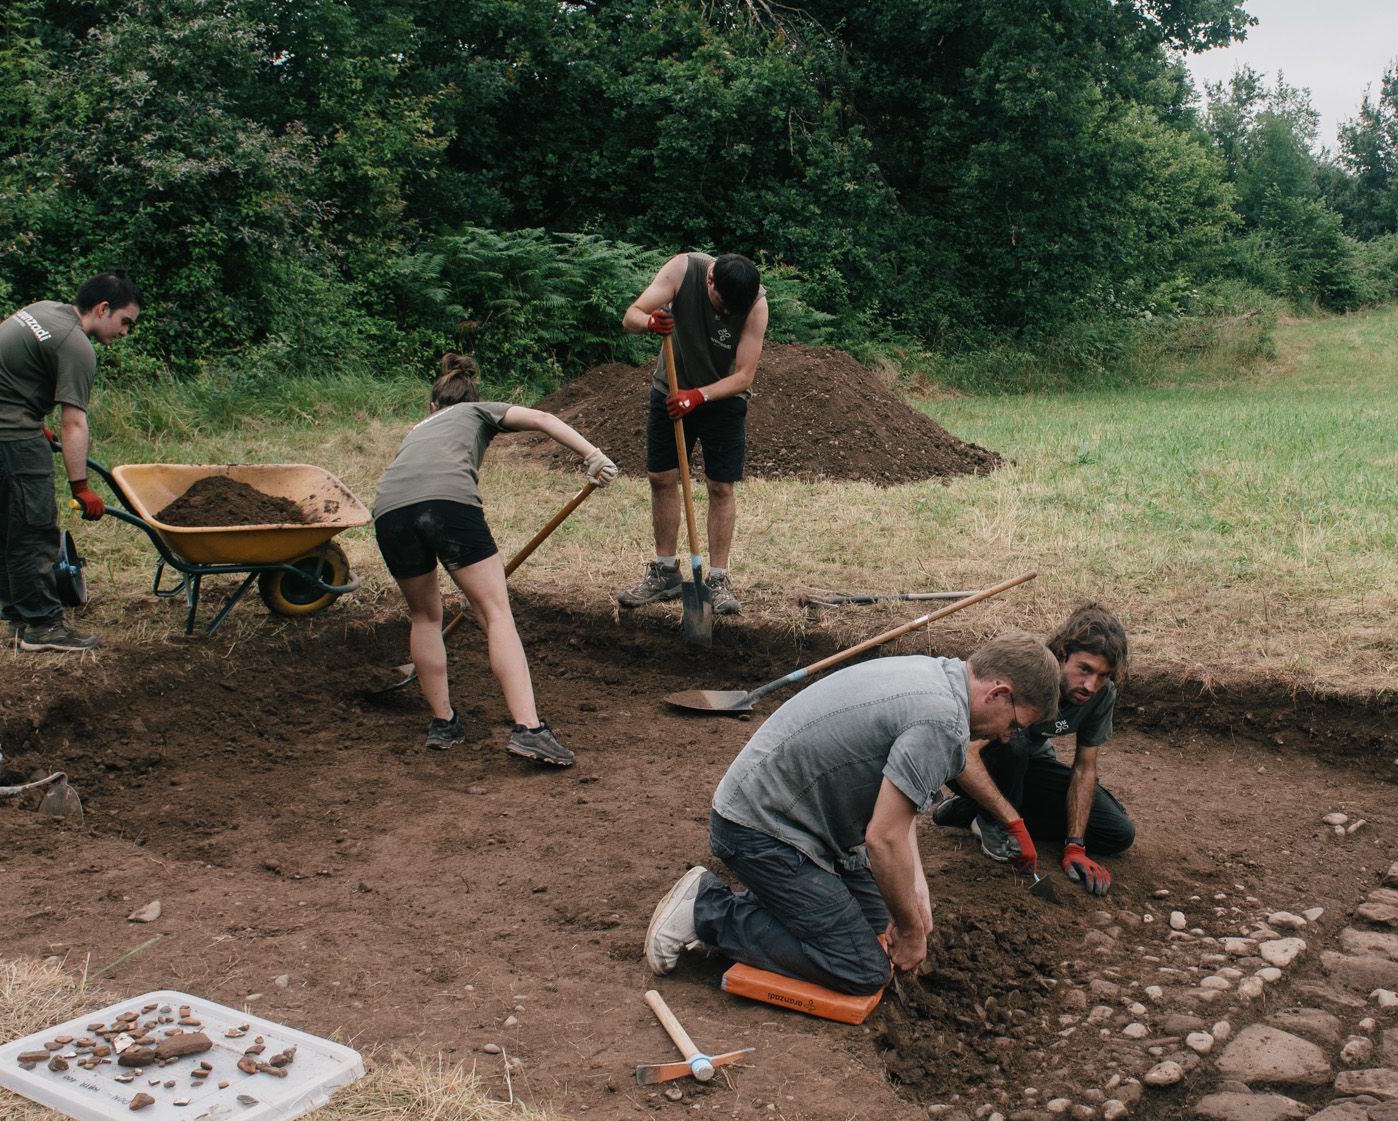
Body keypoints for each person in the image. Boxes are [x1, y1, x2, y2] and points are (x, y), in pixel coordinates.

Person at [643, 635, 1061, 994]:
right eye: (1017, 724)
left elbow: (899, 809)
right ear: (999, 693)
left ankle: (775, 908)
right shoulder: (943, 725)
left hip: (796, 820)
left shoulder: (939, 676)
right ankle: (708, 912)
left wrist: (917, 890)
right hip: (760, 829)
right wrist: (913, 933)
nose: (1010, 737)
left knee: (879, 921)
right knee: (863, 968)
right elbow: (884, 839)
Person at [371, 353, 619, 767]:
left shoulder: (417, 428)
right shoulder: (478, 411)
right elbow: (541, 418)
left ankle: (443, 724)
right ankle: (529, 730)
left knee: (424, 617)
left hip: (389, 511)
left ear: (433, 405)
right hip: (448, 503)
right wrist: (593, 455)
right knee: (496, 610)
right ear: (471, 398)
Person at [0, 272, 141, 653]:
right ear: (103, 309)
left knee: (1, 532)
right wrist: (80, 487)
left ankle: (19, 619)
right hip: (4, 438)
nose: (124, 333)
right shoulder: (77, 346)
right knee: (32, 531)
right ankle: (43, 626)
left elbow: (10, 378)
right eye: (124, 322)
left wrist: (34, 425)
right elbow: (74, 422)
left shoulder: (44, 311)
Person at [934, 604, 1136, 896]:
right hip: (965, 759)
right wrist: (1011, 823)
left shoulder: (1101, 695)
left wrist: (1075, 845)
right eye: (1085, 670)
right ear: (1063, 652)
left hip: (1028, 766)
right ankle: (992, 819)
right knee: (1014, 742)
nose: (1091, 685)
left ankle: (972, 809)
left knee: (1117, 832)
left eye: (1103, 675)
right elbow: (964, 752)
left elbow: (1084, 768)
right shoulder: (1030, 674)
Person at [613, 250, 768, 617]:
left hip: (721, 398)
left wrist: (697, 397)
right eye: (722, 306)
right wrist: (651, 323)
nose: (727, 314)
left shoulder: (755, 305)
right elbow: (630, 316)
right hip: (671, 390)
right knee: (661, 477)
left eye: (734, 310)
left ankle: (717, 579)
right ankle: (666, 571)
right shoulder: (683, 269)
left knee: (720, 486)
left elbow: (744, 376)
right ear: (710, 279)